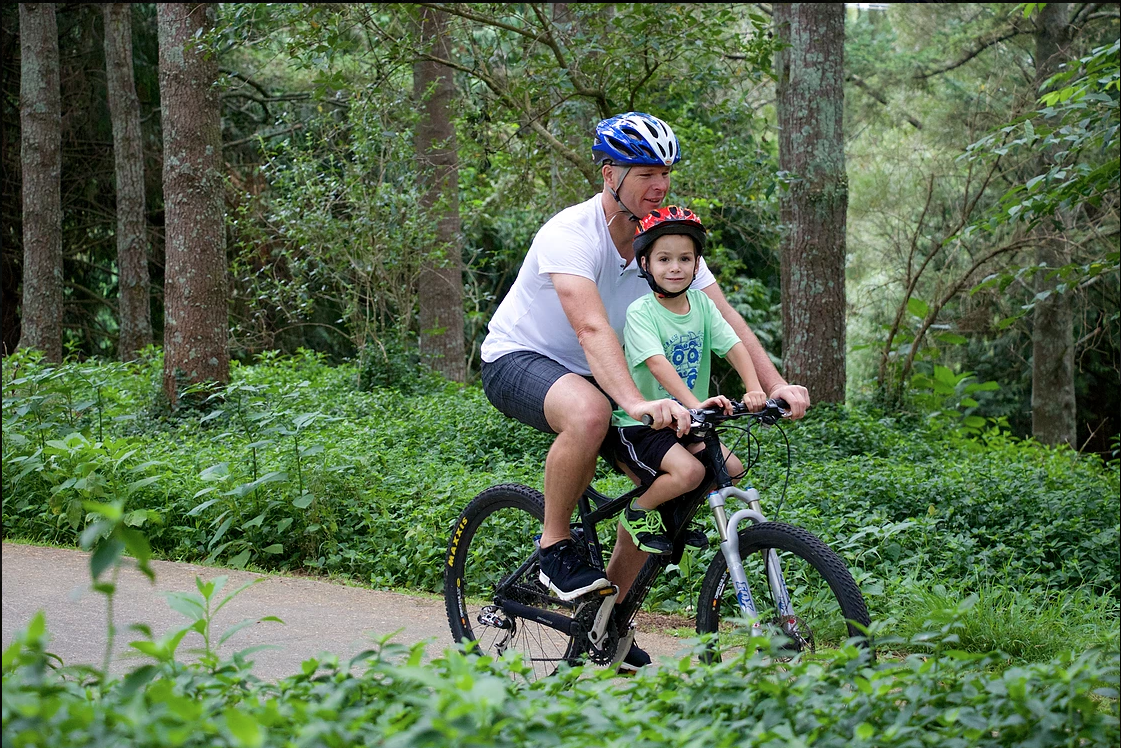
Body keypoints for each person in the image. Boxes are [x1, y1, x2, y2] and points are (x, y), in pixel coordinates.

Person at [479, 111, 810, 671]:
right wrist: (633, 402)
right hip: (523, 359)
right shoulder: (570, 233)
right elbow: (590, 329)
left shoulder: (664, 244)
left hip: (605, 372)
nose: (659, 184)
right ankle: (552, 548)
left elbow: (722, 316)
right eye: (644, 173)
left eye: (666, 172)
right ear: (610, 173)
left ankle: (608, 625)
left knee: (701, 473)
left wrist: (775, 384)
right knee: (589, 414)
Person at [612, 206, 767, 564]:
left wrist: (754, 387)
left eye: (685, 258)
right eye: (664, 259)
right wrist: (692, 403)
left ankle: (671, 516)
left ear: (697, 264)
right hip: (644, 424)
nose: (675, 267)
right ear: (646, 264)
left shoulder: (701, 303)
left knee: (731, 468)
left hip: (687, 418)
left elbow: (734, 345)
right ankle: (637, 512)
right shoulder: (641, 312)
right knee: (691, 471)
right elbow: (657, 363)